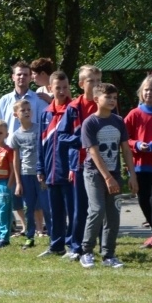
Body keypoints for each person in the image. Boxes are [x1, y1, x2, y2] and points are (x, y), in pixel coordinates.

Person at [79, 83, 138, 268]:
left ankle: (109, 254)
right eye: (108, 97)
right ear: (97, 99)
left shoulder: (118, 121)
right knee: (97, 210)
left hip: (114, 173)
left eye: (114, 97)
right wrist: (107, 178)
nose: (112, 100)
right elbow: (94, 152)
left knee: (113, 214)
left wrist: (132, 175)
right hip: (94, 174)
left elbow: (126, 150)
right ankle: (86, 251)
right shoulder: (90, 123)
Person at [0, 61, 49, 234]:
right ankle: (24, 225)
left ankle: (39, 227)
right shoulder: (4, 101)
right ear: (13, 77)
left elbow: (47, 123)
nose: (22, 77)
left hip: (33, 153)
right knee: (14, 192)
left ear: (30, 77)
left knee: (36, 193)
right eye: (18, 74)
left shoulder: (38, 100)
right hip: (10, 153)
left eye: (25, 74)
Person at [63, 65, 103, 260]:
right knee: (80, 208)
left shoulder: (105, 105)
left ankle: (104, 246)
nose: (96, 85)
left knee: (101, 207)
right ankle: (77, 247)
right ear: (81, 84)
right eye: (91, 81)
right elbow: (62, 136)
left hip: (102, 163)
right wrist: (81, 140)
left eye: (99, 81)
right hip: (80, 163)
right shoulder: (73, 108)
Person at [124, 76, 152, 252]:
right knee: (142, 200)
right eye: (146, 89)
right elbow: (124, 138)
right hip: (139, 165)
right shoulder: (134, 114)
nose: (149, 93)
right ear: (141, 92)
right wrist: (136, 144)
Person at [37, 71, 78, 258]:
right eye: (57, 88)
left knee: (72, 209)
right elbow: (40, 142)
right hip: (51, 169)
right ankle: (56, 245)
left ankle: (72, 244)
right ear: (50, 88)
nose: (61, 91)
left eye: (65, 87)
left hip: (69, 169)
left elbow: (77, 141)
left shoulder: (73, 110)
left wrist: (73, 165)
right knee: (55, 211)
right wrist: (40, 167)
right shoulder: (45, 113)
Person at [10, 99, 50, 250]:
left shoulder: (39, 129)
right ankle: (30, 236)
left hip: (40, 174)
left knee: (46, 206)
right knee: (29, 207)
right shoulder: (16, 136)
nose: (27, 112)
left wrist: (45, 171)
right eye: (23, 110)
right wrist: (18, 182)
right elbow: (16, 160)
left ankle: (53, 235)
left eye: (28, 109)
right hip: (26, 174)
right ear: (16, 114)